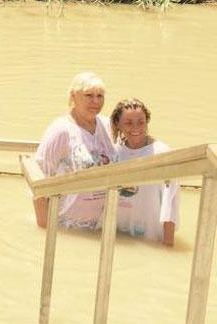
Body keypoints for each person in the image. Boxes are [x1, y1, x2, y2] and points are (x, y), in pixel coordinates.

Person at [33, 72, 115, 231]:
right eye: (89, 95)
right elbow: (39, 182)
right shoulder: (61, 131)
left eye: (100, 96)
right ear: (73, 96)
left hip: (102, 226)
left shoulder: (107, 126)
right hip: (66, 227)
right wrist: (44, 230)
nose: (95, 101)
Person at [111, 99, 179, 246]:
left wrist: (168, 243)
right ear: (118, 124)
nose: (135, 127)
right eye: (128, 122)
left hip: (151, 237)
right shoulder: (114, 153)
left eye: (141, 122)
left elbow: (171, 202)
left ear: (147, 122)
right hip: (119, 237)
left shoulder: (162, 153)